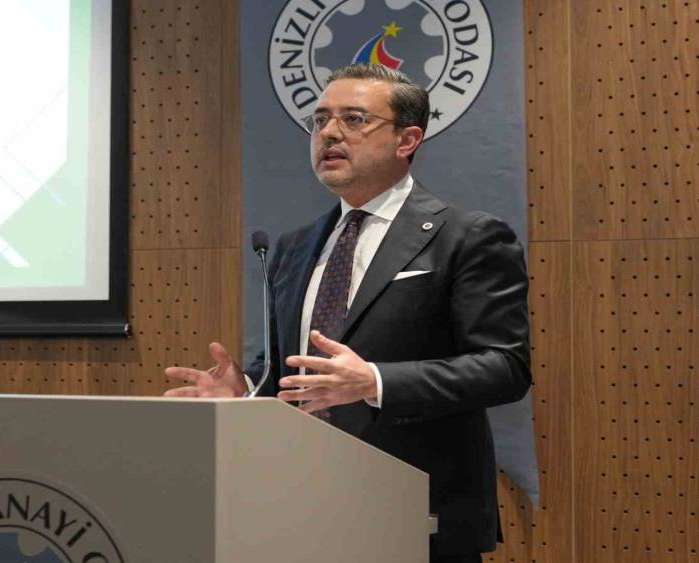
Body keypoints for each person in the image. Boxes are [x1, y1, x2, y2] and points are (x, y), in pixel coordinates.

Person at [164, 63, 531, 563]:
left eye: (354, 119)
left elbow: (504, 368)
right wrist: (246, 390)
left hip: (416, 511)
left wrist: (375, 381)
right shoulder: (294, 247)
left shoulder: (466, 237)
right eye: (320, 120)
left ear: (407, 140)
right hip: (303, 505)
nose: (329, 133)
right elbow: (293, 370)